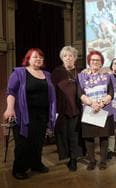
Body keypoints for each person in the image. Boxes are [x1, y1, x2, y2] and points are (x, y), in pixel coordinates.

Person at [3, 48, 56, 180]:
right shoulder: (19, 72)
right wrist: (10, 108)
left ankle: (36, 164)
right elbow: (11, 92)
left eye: (40, 57)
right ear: (28, 59)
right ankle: (19, 169)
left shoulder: (47, 74)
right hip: (22, 114)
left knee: (38, 142)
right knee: (23, 143)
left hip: (42, 114)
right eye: (35, 57)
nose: (38, 59)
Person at [78, 50, 114, 170]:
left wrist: (102, 103)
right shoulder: (82, 76)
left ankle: (103, 161)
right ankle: (92, 161)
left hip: (104, 110)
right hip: (89, 110)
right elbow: (80, 93)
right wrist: (92, 103)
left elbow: (111, 92)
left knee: (104, 136)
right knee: (89, 137)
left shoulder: (107, 76)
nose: (95, 62)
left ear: (101, 62)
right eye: (93, 60)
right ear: (89, 61)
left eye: (98, 60)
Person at [51, 46, 83, 171]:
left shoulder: (81, 71)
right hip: (62, 109)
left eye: (71, 56)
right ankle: (68, 156)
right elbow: (51, 91)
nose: (68, 58)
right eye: (65, 56)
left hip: (78, 108)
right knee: (64, 134)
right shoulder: (57, 72)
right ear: (62, 58)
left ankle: (74, 159)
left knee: (74, 134)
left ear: (75, 58)